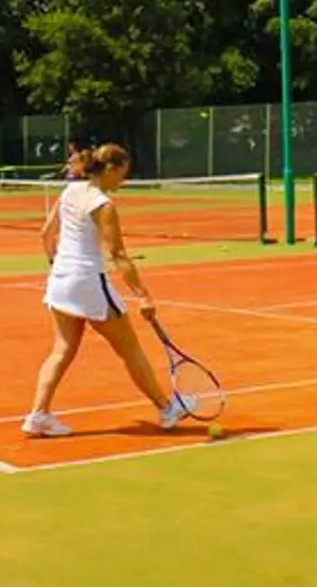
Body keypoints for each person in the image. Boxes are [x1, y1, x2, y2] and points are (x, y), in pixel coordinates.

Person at [21, 143, 197, 438]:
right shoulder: (102, 204)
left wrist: (57, 265)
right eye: (122, 174)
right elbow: (118, 254)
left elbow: (45, 235)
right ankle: (167, 408)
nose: (123, 182)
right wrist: (143, 295)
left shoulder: (69, 191)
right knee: (130, 349)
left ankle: (38, 415)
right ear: (110, 168)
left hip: (60, 281)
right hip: (88, 282)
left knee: (61, 350)